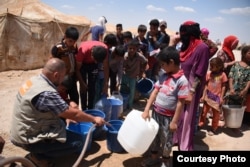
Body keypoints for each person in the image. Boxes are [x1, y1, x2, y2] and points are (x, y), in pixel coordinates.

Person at [10, 58, 106, 166]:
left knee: (62, 123)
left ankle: (39, 151)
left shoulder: (34, 80)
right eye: (63, 76)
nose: (63, 80)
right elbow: (74, 114)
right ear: (56, 75)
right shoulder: (46, 93)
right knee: (77, 142)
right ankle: (37, 157)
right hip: (26, 137)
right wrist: (94, 119)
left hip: (19, 131)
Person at [141, 46, 189, 167]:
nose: (161, 67)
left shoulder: (182, 81)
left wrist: (174, 122)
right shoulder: (163, 75)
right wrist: (147, 109)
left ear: (171, 62)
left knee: (167, 141)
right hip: (156, 113)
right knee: (154, 137)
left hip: (168, 118)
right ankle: (154, 158)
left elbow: (180, 103)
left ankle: (166, 161)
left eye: (163, 64)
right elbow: (154, 92)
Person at [173, 20, 210, 151]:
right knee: (177, 115)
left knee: (187, 118)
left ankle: (185, 146)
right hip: (179, 85)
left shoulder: (202, 48)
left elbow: (200, 74)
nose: (181, 36)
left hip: (191, 88)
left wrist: (192, 92)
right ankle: (176, 139)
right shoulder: (184, 46)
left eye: (184, 34)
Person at [198, 57, 228, 136]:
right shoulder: (209, 74)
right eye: (210, 66)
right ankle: (201, 124)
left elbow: (224, 86)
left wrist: (221, 97)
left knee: (216, 114)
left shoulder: (223, 75)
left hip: (217, 98)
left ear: (219, 66)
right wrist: (203, 96)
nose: (210, 68)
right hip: (208, 97)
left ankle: (214, 128)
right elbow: (206, 85)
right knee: (204, 112)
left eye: (212, 66)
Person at [76, 40, 109, 110]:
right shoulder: (82, 50)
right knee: (83, 89)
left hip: (93, 66)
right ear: (91, 54)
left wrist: (106, 84)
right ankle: (84, 109)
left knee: (92, 87)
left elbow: (106, 67)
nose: (96, 62)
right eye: (95, 60)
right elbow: (77, 69)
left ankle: (91, 109)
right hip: (83, 65)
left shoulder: (104, 50)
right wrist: (82, 83)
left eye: (98, 61)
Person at [51, 26, 79, 104]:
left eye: (74, 41)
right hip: (62, 80)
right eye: (70, 41)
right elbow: (53, 64)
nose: (72, 43)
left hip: (72, 78)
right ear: (65, 37)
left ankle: (74, 115)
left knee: (75, 98)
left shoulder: (74, 47)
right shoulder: (58, 48)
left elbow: (75, 60)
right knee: (62, 99)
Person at [121, 39, 148, 111]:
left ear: (137, 49)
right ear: (127, 48)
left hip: (133, 76)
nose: (132, 50)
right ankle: (122, 105)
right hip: (125, 75)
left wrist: (142, 71)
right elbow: (120, 65)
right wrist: (124, 67)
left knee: (132, 91)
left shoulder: (139, 56)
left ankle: (129, 106)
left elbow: (145, 61)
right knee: (123, 89)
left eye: (134, 48)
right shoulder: (125, 56)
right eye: (130, 48)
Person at [228, 45, 250, 129]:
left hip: (242, 92)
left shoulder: (249, 68)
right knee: (229, 106)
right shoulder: (236, 65)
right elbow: (231, 76)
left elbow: (249, 80)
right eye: (249, 53)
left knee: (240, 108)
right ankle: (229, 122)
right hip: (232, 90)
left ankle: (236, 125)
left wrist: (245, 90)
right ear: (244, 53)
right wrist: (231, 88)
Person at [94, 33, 118, 104]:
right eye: (111, 45)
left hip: (101, 74)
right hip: (99, 74)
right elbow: (106, 66)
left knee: (100, 91)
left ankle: (99, 105)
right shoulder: (105, 48)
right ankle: (97, 106)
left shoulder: (102, 47)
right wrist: (106, 82)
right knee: (98, 92)